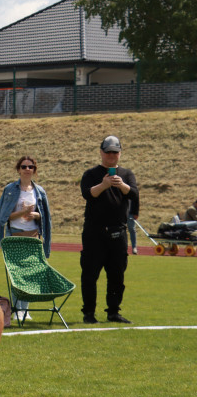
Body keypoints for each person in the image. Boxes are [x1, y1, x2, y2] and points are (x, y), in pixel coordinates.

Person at [79, 135, 139, 325]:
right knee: (90, 274)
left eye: (115, 152)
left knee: (117, 275)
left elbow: (134, 194)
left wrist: (121, 185)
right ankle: (89, 313)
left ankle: (113, 311)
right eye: (108, 152)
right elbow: (87, 194)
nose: (111, 155)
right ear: (101, 152)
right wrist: (104, 185)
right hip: (94, 232)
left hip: (118, 233)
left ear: (120, 153)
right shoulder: (91, 174)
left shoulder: (127, 174)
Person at [0, 155, 52, 322]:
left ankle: (24, 310)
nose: (28, 169)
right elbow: (3, 217)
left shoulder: (39, 191)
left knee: (30, 274)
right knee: (16, 275)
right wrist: (22, 213)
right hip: (15, 235)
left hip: (33, 236)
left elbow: (45, 217)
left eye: (31, 167)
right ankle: (17, 309)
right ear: (18, 169)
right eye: (24, 166)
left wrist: (35, 215)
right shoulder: (10, 189)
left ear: (34, 170)